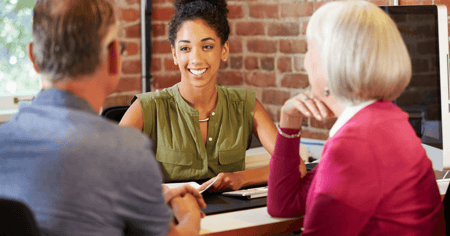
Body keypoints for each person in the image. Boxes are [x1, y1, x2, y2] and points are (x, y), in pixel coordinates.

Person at [0, 0, 206, 235]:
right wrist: (188, 213)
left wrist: (150, 197)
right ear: (114, 57)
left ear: (33, 58)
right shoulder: (126, 151)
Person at [267, 1, 445, 235]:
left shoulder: (355, 144)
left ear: (331, 61)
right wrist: (289, 120)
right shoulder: (382, 120)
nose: (305, 61)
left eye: (309, 49)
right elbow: (285, 204)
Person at [120, 0, 282, 191]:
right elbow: (103, 168)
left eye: (207, 47)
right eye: (185, 48)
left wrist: (241, 178)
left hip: (232, 218)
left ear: (224, 50)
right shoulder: (146, 107)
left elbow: (293, 165)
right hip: (173, 217)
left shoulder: (246, 105)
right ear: (174, 54)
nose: (196, 59)